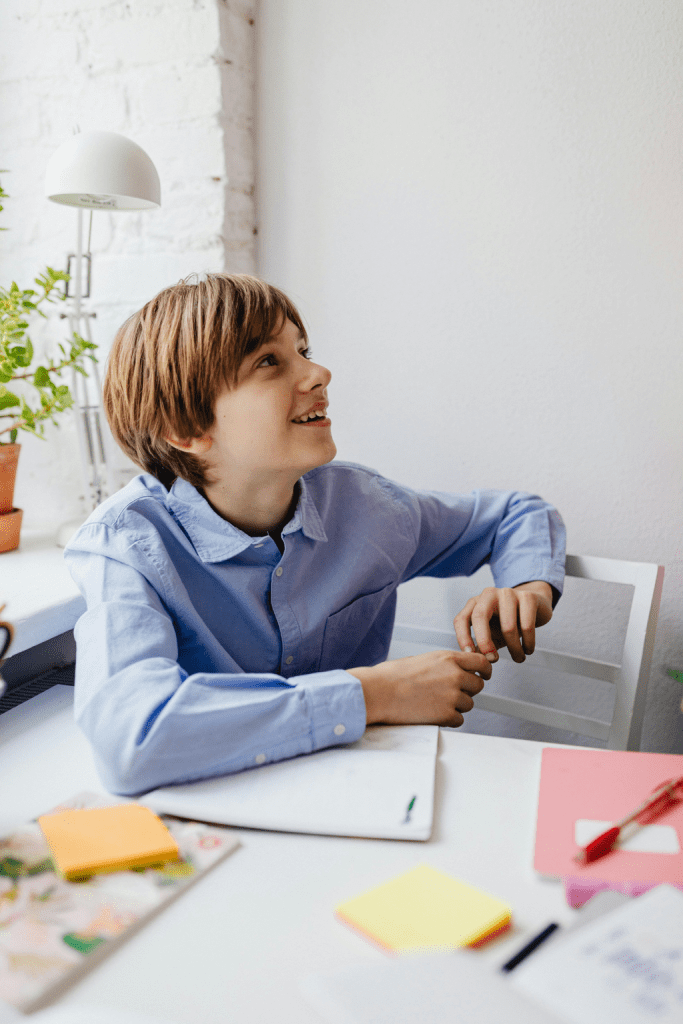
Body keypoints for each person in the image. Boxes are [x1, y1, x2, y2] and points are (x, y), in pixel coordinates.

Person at [64, 274, 566, 795]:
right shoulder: (125, 546)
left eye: (303, 351)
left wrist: (528, 586)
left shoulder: (368, 507)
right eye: (269, 361)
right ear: (187, 428)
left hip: (354, 796)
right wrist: (374, 693)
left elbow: (515, 514)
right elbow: (132, 738)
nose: (319, 373)